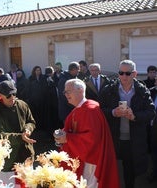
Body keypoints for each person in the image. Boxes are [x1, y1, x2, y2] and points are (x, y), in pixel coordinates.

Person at [99, 60, 156, 188]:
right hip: (114, 137)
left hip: (133, 138)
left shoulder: (142, 91)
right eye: (121, 73)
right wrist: (113, 112)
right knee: (113, 168)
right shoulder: (109, 90)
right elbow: (99, 111)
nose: (123, 76)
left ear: (134, 74)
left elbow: (151, 112)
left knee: (129, 170)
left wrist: (135, 116)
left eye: (127, 73)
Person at [54, 79, 120, 188]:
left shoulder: (91, 110)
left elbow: (92, 140)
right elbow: (68, 131)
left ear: (80, 90)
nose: (66, 95)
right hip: (82, 158)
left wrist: (67, 138)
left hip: (91, 161)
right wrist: (61, 137)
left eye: (68, 91)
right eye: (64, 92)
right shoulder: (76, 110)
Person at [0, 80, 36, 186]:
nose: (12, 97)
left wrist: (28, 129)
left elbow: (31, 121)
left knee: (28, 184)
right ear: (0, 95)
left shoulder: (22, 104)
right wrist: (21, 137)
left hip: (26, 154)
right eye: (8, 95)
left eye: (14, 93)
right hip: (9, 159)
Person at [28, 66, 46, 130]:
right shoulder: (31, 78)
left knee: (41, 113)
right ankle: (35, 126)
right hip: (34, 99)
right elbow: (29, 89)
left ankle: (41, 126)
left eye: (39, 70)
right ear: (34, 71)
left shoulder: (43, 78)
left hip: (41, 99)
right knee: (35, 113)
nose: (38, 72)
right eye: (37, 70)